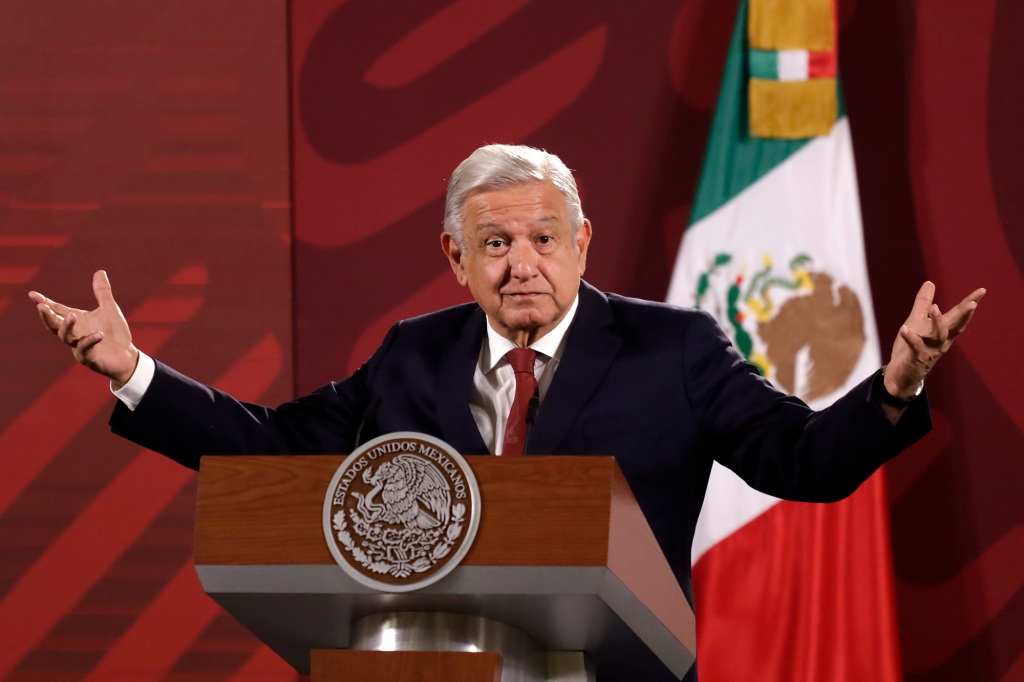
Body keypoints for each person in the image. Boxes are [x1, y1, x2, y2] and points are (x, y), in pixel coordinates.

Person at [29, 144, 984, 681]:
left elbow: (802, 463)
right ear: (454, 256)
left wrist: (895, 386)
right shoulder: (414, 354)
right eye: (493, 242)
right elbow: (278, 447)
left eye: (542, 237)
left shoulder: (677, 350)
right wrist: (136, 371)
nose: (520, 262)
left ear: (583, 244)